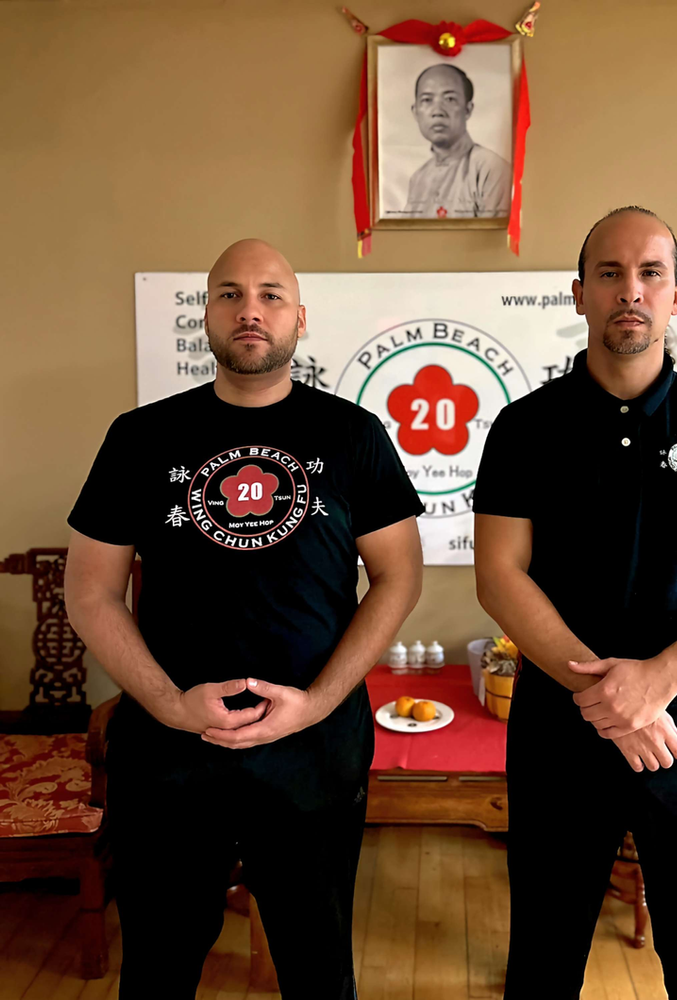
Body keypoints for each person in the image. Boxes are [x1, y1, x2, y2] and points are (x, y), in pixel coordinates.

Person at [65, 239, 424, 999]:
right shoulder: (140, 436)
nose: (249, 309)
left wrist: (319, 703)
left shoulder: (353, 436)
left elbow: (398, 578)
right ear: (207, 316)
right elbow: (90, 592)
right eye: (229, 294)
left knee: (318, 968)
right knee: (157, 967)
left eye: (269, 294)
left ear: (299, 318)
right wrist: (169, 705)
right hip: (169, 753)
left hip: (313, 749)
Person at [474, 206, 677, 1000]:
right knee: (542, 965)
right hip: (561, 723)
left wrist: (658, 682)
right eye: (609, 274)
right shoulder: (523, 429)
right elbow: (500, 575)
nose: (630, 291)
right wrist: (608, 695)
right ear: (579, 294)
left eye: (650, 274)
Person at [403, 63, 511, 219]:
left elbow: (492, 239)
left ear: (467, 110)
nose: (438, 112)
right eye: (427, 100)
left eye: (450, 99)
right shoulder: (419, 178)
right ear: (415, 112)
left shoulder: (491, 169)